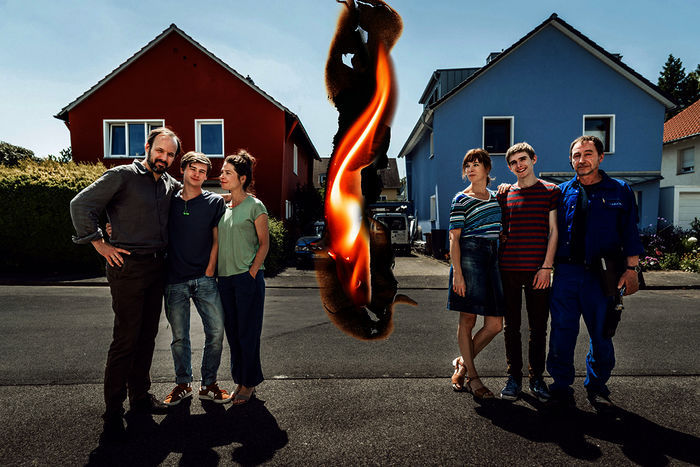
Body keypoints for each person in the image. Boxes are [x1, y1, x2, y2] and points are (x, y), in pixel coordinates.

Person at [70, 127, 181, 441]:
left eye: (170, 154)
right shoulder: (122, 176)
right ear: (147, 147)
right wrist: (100, 243)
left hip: (158, 267)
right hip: (127, 267)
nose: (165, 158)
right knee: (126, 338)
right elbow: (80, 205)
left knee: (147, 337)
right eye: (160, 151)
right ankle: (113, 409)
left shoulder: (170, 184)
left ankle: (140, 399)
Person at [547, 135, 643, 412]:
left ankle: (597, 384)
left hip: (602, 276)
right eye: (577, 155)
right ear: (570, 160)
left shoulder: (620, 190)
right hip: (566, 273)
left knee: (602, 333)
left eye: (588, 154)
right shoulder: (562, 192)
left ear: (601, 158)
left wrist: (632, 269)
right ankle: (560, 385)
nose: (582, 160)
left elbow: (630, 232)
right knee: (562, 332)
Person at [161, 152, 231, 406]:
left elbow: (217, 238)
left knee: (216, 332)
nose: (197, 174)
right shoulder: (168, 200)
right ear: (183, 169)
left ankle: (208, 384)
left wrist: (210, 270)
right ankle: (183, 384)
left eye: (203, 171)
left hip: (205, 279)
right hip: (174, 280)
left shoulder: (214, 202)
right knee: (180, 337)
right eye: (193, 169)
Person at [497, 142, 560, 402]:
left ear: (533, 159)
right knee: (511, 327)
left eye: (523, 159)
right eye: (513, 163)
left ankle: (537, 378)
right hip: (508, 269)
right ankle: (514, 378)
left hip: (538, 271)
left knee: (538, 329)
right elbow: (500, 228)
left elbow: (554, 231)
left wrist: (547, 267)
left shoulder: (550, 191)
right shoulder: (504, 194)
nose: (519, 166)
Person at [448, 148, 504, 399]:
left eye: (476, 164)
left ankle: (462, 362)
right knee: (468, 319)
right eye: (467, 165)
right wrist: (457, 274)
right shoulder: (460, 199)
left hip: (492, 258)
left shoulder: (496, 198)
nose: (470, 168)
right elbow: (454, 238)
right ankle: (473, 377)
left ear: (487, 169)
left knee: (495, 324)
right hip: (469, 255)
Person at [217, 150, 270, 405]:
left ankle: (249, 384)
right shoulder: (224, 206)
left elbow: (264, 244)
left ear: (242, 177)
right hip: (224, 281)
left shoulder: (255, 205)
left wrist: (251, 273)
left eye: (227, 173)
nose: (221, 176)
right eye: (222, 172)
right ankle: (240, 381)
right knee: (233, 333)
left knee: (248, 333)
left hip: (247, 279)